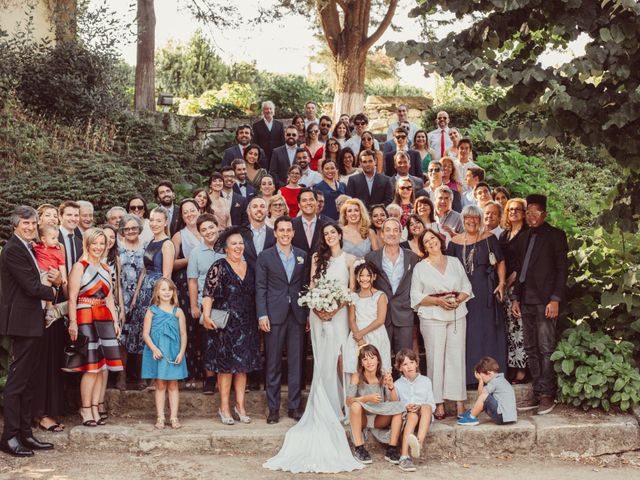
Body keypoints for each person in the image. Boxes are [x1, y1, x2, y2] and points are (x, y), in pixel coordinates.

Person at [264, 222, 363, 474]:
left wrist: (335, 308)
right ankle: (322, 403)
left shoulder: (351, 259)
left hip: (338, 315)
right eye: (326, 233)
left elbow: (351, 290)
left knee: (338, 358)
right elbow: (311, 285)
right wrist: (316, 307)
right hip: (318, 314)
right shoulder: (317, 257)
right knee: (322, 359)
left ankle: (339, 404)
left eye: (333, 232)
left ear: (340, 234)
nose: (330, 236)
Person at [0, 206, 60, 457]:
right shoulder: (13, 249)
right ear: (15, 225)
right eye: (25, 223)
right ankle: (9, 436)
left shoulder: (27, 247)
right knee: (16, 382)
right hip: (22, 323)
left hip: (32, 321)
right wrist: (55, 289)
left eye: (33, 223)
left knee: (29, 381)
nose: (30, 226)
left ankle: (25, 433)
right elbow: (31, 286)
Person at [511, 194, 569, 415]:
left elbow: (562, 270)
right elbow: (519, 270)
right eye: (528, 211)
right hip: (526, 300)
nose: (531, 215)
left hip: (546, 301)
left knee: (546, 348)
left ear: (544, 213)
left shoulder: (556, 236)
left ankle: (547, 395)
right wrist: (515, 297)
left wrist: (555, 298)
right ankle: (537, 392)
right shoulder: (524, 237)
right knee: (530, 349)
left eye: (536, 211)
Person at [411, 229, 473, 420]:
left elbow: (466, 287)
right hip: (432, 316)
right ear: (423, 246)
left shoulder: (454, 262)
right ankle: (438, 404)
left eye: (433, 238)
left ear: (440, 239)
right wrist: (439, 301)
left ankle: (459, 403)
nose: (431, 242)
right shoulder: (420, 267)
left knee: (456, 357)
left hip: (456, 314)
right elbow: (416, 296)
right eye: (426, 241)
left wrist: (457, 300)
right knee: (435, 359)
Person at [202, 226, 261, 425]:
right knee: (225, 368)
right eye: (233, 243)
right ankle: (224, 407)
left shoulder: (250, 267)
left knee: (242, 367)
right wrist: (206, 315)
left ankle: (240, 406)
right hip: (225, 325)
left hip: (247, 324)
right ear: (226, 248)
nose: (238, 247)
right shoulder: (219, 266)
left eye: (240, 243)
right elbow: (208, 293)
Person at [64, 228, 123, 426]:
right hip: (85, 316)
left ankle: (96, 408)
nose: (98, 247)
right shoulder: (79, 266)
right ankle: (86, 409)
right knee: (90, 368)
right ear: (87, 244)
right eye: (94, 243)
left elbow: (109, 299)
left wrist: (115, 322)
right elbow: (71, 298)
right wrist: (73, 322)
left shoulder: (106, 269)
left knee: (102, 366)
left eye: (101, 243)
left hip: (104, 318)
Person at [256, 216, 307, 423]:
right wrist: (262, 314)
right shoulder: (265, 256)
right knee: (273, 363)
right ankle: (273, 409)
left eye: (289, 230)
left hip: (297, 314)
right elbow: (260, 286)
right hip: (274, 314)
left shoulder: (303, 256)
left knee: (296, 363)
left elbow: (305, 286)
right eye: (281, 230)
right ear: (275, 232)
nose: (285, 234)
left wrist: (308, 314)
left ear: (293, 233)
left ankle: (294, 407)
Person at [448, 205, 507, 385]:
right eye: (468, 218)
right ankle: (470, 377)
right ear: (463, 220)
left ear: (480, 220)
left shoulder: (490, 239)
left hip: (486, 291)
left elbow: (501, 262)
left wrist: (502, 283)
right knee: (470, 333)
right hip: (464, 295)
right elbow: (448, 269)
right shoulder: (454, 242)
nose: (472, 221)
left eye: (475, 218)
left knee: (489, 331)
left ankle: (493, 374)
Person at [126, 207, 175, 389]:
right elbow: (144, 271)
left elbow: (167, 275)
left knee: (157, 333)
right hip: (144, 292)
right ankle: (146, 377)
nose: (154, 223)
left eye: (158, 220)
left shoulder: (167, 244)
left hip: (157, 292)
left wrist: (162, 300)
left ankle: (157, 379)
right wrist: (136, 295)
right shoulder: (150, 242)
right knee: (143, 334)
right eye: (152, 220)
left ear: (165, 222)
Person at [365, 218, 419, 355]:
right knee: (382, 358)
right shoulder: (371, 258)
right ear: (382, 234)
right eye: (387, 230)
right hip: (380, 317)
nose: (392, 234)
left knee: (405, 358)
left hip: (404, 314)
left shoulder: (412, 257)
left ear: (401, 234)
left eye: (396, 230)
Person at [141, 278, 188, 430]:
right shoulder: (151, 311)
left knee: (173, 385)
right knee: (160, 385)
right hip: (158, 352)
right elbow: (146, 334)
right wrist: (154, 349)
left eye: (170, 289)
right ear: (157, 293)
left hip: (173, 352)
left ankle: (173, 417)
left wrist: (181, 352)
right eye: (163, 289)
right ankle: (160, 417)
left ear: (174, 292)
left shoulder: (178, 312)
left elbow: (183, 334)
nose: (167, 292)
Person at [347, 345, 404, 466]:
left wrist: (391, 386)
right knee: (355, 405)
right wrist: (367, 398)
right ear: (361, 363)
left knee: (398, 408)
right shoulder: (356, 376)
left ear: (378, 360)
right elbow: (348, 401)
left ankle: (392, 449)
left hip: (379, 417)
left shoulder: (383, 376)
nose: (369, 362)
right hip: (362, 417)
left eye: (372, 358)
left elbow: (394, 403)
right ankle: (359, 448)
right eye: (365, 359)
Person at [187, 214, 225, 394]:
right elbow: (193, 280)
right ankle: (209, 379)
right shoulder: (196, 252)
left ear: (217, 227)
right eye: (204, 230)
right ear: (200, 233)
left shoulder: (227, 247)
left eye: (211, 227)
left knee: (226, 342)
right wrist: (194, 305)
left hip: (227, 303)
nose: (208, 232)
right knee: (208, 343)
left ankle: (225, 377)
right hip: (205, 304)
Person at [170, 199, 203, 389]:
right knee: (188, 328)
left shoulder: (208, 229)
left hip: (206, 283)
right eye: (185, 212)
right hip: (184, 284)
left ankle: (207, 373)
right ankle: (189, 373)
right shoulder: (178, 236)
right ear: (181, 216)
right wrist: (191, 259)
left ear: (199, 210)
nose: (190, 214)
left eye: (193, 210)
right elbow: (172, 263)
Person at [96, 224, 126, 418]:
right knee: (95, 356)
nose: (109, 241)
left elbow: (117, 287)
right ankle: (93, 402)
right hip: (94, 308)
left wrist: (121, 308)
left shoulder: (115, 259)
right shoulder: (91, 258)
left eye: (112, 237)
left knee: (108, 353)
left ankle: (100, 402)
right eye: (105, 237)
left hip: (112, 307)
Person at [499, 198, 529, 384]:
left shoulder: (527, 234)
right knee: (509, 330)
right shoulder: (504, 235)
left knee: (519, 329)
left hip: (520, 287)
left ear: (524, 213)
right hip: (506, 287)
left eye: (518, 209)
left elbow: (523, 264)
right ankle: (512, 365)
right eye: (510, 209)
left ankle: (522, 370)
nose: (513, 212)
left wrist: (509, 282)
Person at [117, 214, 148, 390]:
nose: (130, 231)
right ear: (121, 230)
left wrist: (137, 296)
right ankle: (122, 375)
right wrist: (121, 305)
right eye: (127, 228)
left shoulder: (145, 248)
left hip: (141, 297)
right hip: (122, 298)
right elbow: (117, 279)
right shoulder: (118, 249)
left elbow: (144, 273)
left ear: (139, 229)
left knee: (140, 335)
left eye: (134, 228)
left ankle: (141, 376)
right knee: (123, 337)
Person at [393, 348, 437, 472]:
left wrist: (420, 406)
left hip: (425, 417)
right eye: (405, 364)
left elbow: (432, 405)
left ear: (416, 363)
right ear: (400, 368)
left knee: (427, 407)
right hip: (408, 418)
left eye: (411, 362)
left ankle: (418, 442)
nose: (409, 366)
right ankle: (404, 457)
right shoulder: (397, 385)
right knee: (412, 415)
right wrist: (406, 407)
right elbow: (395, 405)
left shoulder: (426, 381)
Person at [343, 262, 391, 374]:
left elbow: (380, 320)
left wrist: (362, 333)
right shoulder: (353, 296)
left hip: (376, 333)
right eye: (361, 275)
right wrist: (359, 338)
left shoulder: (380, 295)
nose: (364, 279)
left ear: (374, 277)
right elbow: (351, 319)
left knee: (378, 366)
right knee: (357, 367)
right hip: (357, 334)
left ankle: (379, 390)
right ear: (357, 277)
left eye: (368, 275)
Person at [457, 356, 517, 426]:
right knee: (488, 396)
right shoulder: (501, 380)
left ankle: (471, 417)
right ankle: (472, 412)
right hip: (508, 418)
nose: (483, 380)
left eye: (482, 377)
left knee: (484, 396)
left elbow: (481, 396)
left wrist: (480, 381)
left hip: (502, 417)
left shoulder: (495, 381)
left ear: (489, 373)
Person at [34, 224, 67, 311]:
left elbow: (62, 264)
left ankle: (48, 305)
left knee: (47, 285)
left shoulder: (58, 251)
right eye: (53, 238)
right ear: (43, 239)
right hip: (37, 272)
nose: (56, 241)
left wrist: (64, 277)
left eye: (57, 238)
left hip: (48, 273)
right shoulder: (38, 247)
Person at [292, 189, 327, 253]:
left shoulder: (326, 226)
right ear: (299, 205)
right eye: (304, 200)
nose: (308, 203)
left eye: (311, 199)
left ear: (316, 202)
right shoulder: (291, 225)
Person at [58, 200, 83, 273]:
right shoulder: (52, 238)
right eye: (69, 215)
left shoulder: (80, 242)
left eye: (76, 215)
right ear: (60, 216)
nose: (73, 219)